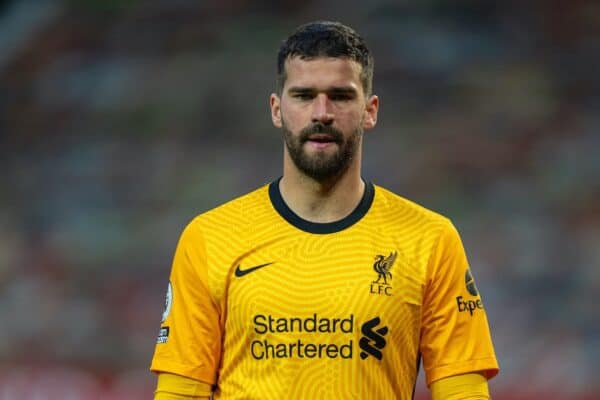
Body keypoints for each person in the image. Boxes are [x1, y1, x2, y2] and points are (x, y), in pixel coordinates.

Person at [150, 20, 499, 399]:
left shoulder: (430, 239)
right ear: (276, 109)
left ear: (370, 110)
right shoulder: (209, 238)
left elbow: (463, 391)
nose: (321, 112)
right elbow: (180, 392)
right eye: (303, 95)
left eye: (341, 96)